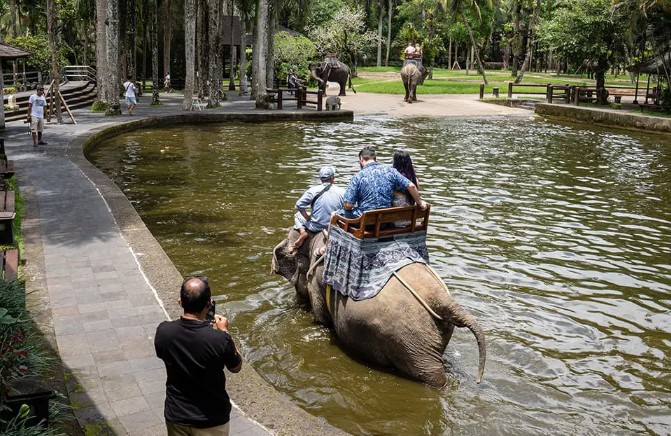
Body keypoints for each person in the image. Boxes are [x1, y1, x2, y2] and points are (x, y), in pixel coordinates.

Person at [155, 277, 242, 435]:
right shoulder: (219, 339)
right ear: (208, 304)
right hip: (211, 419)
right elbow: (236, 366)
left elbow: (163, 353)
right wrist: (224, 331)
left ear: (180, 302)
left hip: (177, 415)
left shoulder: (163, 332)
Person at [342, 146, 426, 218]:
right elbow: (411, 186)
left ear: (361, 159)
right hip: (385, 219)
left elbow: (348, 205)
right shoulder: (390, 171)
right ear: (375, 159)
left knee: (339, 213)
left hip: (366, 220)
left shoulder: (357, 176)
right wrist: (419, 202)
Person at [293, 166, 345, 251]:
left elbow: (299, 206)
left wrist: (307, 218)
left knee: (298, 215)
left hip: (316, 226)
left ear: (321, 179)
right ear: (332, 178)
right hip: (334, 225)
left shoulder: (312, 190)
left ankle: (303, 232)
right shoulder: (342, 191)